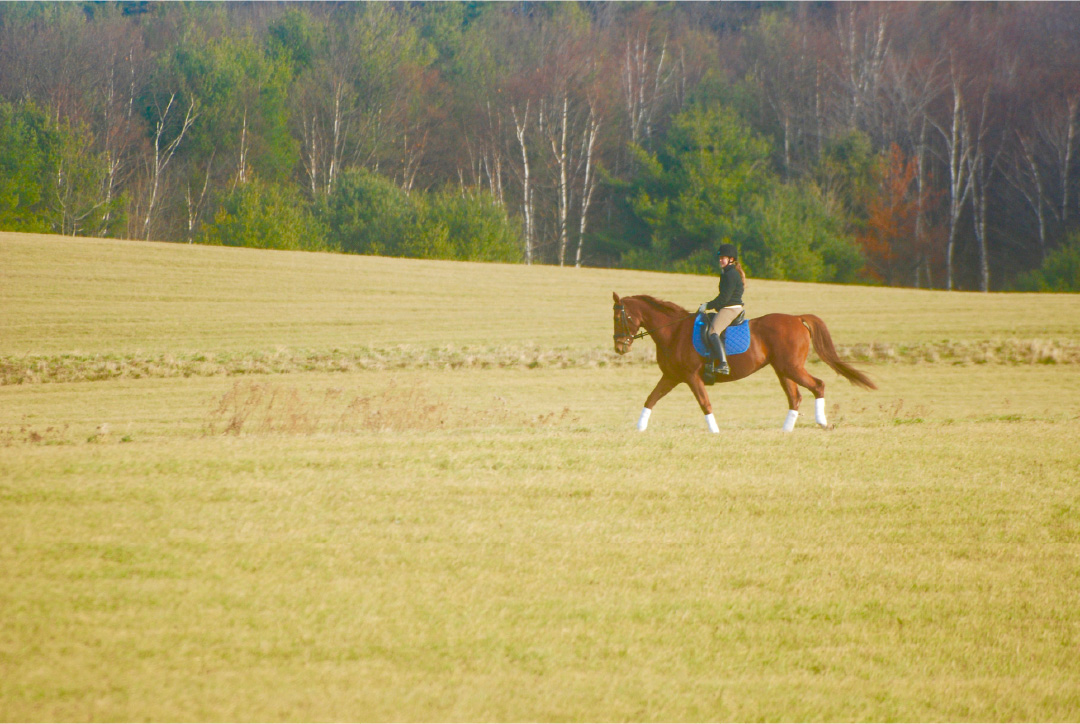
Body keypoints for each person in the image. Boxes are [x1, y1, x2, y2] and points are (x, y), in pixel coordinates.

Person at [700, 242, 745, 377]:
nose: (720, 260)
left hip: (731, 308)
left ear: (731, 259)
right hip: (728, 306)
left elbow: (724, 298)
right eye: (720, 258)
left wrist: (708, 305)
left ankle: (724, 364)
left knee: (713, 332)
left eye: (723, 258)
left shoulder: (730, 274)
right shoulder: (727, 273)